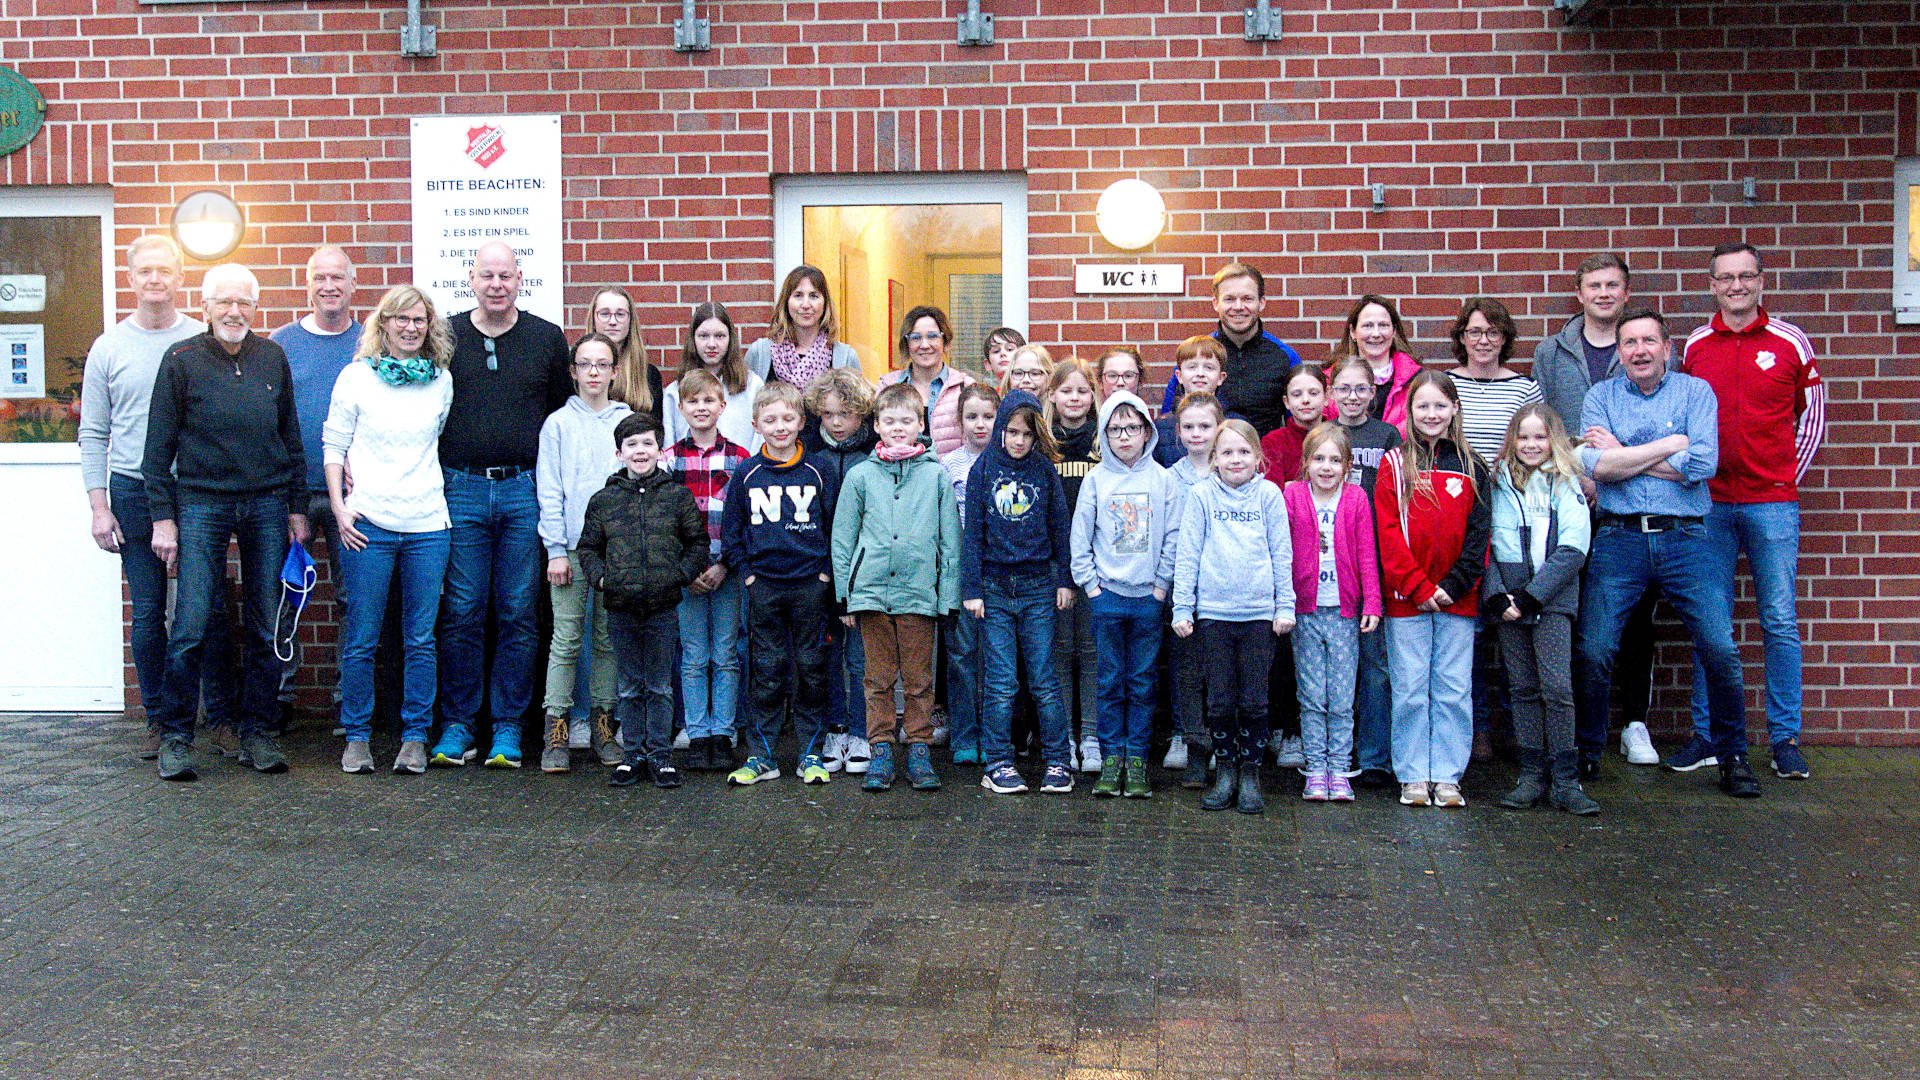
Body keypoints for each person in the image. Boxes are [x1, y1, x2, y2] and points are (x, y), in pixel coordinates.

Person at [1575, 309, 1760, 799]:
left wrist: (1627, 454)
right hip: (1619, 537)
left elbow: (1703, 463)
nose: (1639, 350)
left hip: (1687, 538)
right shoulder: (1601, 397)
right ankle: (1588, 750)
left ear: (1667, 346)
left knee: (1719, 647)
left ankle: (1733, 755)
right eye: (1629, 342)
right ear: (1618, 351)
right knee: (1595, 648)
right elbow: (1595, 467)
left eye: (1648, 341)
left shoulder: (1695, 393)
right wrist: (1669, 445)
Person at [140, 263, 308, 781]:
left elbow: (291, 438)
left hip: (264, 503)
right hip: (201, 505)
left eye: (244, 304)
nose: (234, 312)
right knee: (190, 624)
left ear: (254, 309)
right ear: (207, 306)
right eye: (223, 303)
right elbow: (156, 451)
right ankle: (175, 737)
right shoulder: (182, 358)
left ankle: (256, 732)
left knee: (264, 623)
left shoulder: (271, 357)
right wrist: (163, 520)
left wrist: (297, 508)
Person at [79, 234, 232, 760]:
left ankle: (221, 718)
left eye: (164, 270)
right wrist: (99, 507)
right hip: (132, 491)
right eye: (145, 271)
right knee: (148, 613)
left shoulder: (201, 339)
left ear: (181, 277)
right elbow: (94, 432)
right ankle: (161, 718)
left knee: (208, 610)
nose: (155, 280)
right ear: (130, 279)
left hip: (195, 490)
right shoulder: (109, 348)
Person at [1679, 242, 1825, 780]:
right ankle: (1708, 736)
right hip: (1709, 504)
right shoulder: (1695, 345)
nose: (1736, 286)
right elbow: (1683, 418)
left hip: (1772, 504)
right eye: (1725, 278)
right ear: (1712, 284)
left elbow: (1811, 420)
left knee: (1779, 621)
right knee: (1709, 623)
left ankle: (1785, 739)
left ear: (1761, 281)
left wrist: (1785, 477)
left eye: (1745, 276)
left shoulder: (1790, 342)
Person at [431, 241, 572, 769]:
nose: (496, 284)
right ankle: (459, 724)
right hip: (461, 488)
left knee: (517, 611)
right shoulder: (445, 337)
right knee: (463, 611)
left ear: (520, 279)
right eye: (486, 275)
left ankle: (509, 727)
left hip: (522, 490)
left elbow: (561, 416)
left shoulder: (545, 338)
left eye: (505, 276)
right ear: (471, 278)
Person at [1532, 254, 1663, 773]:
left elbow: (1657, 424)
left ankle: (1633, 722)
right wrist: (1577, 476)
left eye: (1613, 285)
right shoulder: (1552, 351)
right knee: (1573, 614)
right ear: (1579, 295)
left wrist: (1610, 470)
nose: (1604, 293)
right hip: (1569, 496)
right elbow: (1543, 424)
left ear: (1625, 294)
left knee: (1634, 619)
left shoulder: (1641, 347)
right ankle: (1574, 731)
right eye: (1594, 286)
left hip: (1629, 501)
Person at [321, 284, 454, 776]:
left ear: (430, 326)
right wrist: (339, 508)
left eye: (419, 320)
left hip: (427, 525)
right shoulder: (356, 377)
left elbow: (434, 440)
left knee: (420, 638)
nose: (410, 327)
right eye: (401, 319)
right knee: (362, 637)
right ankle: (356, 737)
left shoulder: (441, 380)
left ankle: (414, 737)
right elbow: (334, 444)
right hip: (367, 526)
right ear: (384, 323)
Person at [832, 382, 962, 792]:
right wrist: (844, 595)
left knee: (920, 678)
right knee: (878, 678)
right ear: (876, 425)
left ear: (921, 423)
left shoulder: (935, 476)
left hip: (919, 593)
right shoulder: (860, 475)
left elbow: (949, 541)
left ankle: (920, 749)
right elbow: (843, 538)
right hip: (871, 593)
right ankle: (881, 749)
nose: (898, 428)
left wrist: (949, 596)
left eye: (907, 420)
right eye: (889, 421)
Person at [1375, 371, 1491, 809]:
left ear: (1455, 409)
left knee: (1452, 687)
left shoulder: (1472, 464)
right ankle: (1412, 774)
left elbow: (1480, 535)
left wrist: (1451, 587)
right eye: (1422, 406)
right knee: (1409, 686)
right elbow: (1387, 532)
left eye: (1440, 406)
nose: (1431, 414)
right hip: (1407, 600)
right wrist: (1419, 587)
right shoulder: (1394, 464)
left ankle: (1446, 774)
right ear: (1410, 411)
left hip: (1458, 600)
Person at [577, 411, 710, 789]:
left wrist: (679, 576)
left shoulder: (676, 496)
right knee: (630, 685)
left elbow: (697, 542)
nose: (640, 451)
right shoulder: (603, 500)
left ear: (659, 449)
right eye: (631, 445)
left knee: (660, 685)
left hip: (663, 606)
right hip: (620, 605)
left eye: (647, 443)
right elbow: (589, 547)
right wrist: (602, 578)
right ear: (619, 453)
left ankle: (660, 755)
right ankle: (632, 753)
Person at [1171, 419, 1292, 814]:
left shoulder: (1269, 496)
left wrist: (1284, 605)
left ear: (1258, 457)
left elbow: (1281, 553)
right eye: (1226, 452)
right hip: (1214, 616)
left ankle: (1250, 774)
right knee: (1220, 700)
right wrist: (1182, 607)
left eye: (1243, 452)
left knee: (1255, 700)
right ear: (1214, 459)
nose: (1235, 459)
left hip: (1258, 616)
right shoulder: (1202, 496)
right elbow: (1187, 554)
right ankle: (1224, 772)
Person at [720, 382, 839, 786]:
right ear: (756, 424)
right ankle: (762, 756)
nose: (780, 426)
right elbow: (731, 530)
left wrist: (825, 573)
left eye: (788, 418)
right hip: (764, 586)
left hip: (810, 585)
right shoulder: (746, 473)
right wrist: (748, 575)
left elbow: (835, 524)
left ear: (802, 422)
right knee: (766, 670)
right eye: (770, 420)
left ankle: (811, 754)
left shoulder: (819, 470)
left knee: (811, 668)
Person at [1483, 404, 1597, 815]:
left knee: (1557, 688)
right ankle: (1531, 775)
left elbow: (1573, 550)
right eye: (1524, 436)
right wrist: (1498, 596)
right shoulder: (1497, 484)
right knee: (1523, 688)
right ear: (1512, 441)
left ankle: (1566, 780)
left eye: (1540, 437)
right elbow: (1486, 544)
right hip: (1510, 604)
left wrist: (1534, 596)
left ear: (1555, 441)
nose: (1532, 445)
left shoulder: (1566, 483)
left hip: (1550, 601)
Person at [963, 390, 1076, 796]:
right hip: (993, 589)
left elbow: (1060, 528)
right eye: (1011, 432)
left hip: (1037, 587)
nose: (1018, 441)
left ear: (1036, 435)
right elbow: (972, 533)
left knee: (1044, 678)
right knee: (1000, 681)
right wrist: (971, 588)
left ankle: (1059, 761)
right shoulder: (983, 469)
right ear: (1000, 429)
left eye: (1026, 434)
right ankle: (997, 762)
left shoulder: (1045, 472)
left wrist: (1065, 579)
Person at [1446, 296, 1542, 763]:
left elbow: (1535, 444)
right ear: (1461, 337)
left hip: (1509, 513)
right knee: (1473, 632)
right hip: (1458, 515)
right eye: (1474, 332)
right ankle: (1477, 728)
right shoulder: (1447, 385)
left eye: (1493, 333)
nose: (1483, 341)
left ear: (1505, 339)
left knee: (1509, 623)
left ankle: (1518, 729)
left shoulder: (1525, 389)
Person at [1070, 389, 1179, 798]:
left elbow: (1172, 535)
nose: (1125, 437)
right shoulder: (1096, 479)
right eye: (1115, 429)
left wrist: (1160, 587)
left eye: (1133, 428)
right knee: (1109, 680)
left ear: (1147, 431)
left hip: (1148, 597)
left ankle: (1137, 760)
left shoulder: (1163, 480)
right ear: (1105, 434)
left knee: (1143, 679)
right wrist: (1093, 588)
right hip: (1107, 596)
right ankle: (1111, 757)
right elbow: (1079, 538)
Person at [271, 245, 362, 729]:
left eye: (338, 278)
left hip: (354, 497)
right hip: (297, 495)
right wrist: (289, 500)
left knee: (354, 599)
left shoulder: (372, 341)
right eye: (319, 278)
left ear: (353, 285)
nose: (329, 286)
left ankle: (348, 702)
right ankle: (281, 697)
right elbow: (271, 423)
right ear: (307, 285)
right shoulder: (281, 343)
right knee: (288, 593)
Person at [534, 333, 633, 773]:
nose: (594, 372)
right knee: (567, 640)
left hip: (616, 554)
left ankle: (604, 727)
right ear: (573, 372)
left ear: (615, 370)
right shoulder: (558, 424)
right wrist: (556, 549)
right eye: (585, 364)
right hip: (572, 551)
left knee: (609, 641)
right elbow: (550, 490)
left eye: (602, 364)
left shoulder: (627, 419)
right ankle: (555, 730)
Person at [1283, 424, 1380, 803]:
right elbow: (1281, 549)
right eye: (1318, 459)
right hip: (1304, 610)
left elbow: (1367, 554)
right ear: (1305, 463)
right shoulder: (1292, 495)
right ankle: (1315, 766)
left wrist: (1372, 601)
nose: (1326, 467)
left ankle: (1340, 768)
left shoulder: (1355, 499)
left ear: (1348, 466)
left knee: (1341, 695)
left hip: (1343, 611)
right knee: (1311, 694)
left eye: (1335, 460)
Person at [664, 369, 751, 772]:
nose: (701, 408)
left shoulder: (740, 459)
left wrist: (723, 564)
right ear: (680, 408)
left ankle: (724, 732)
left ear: (722, 406)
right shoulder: (669, 461)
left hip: (727, 570)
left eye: (708, 401)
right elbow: (664, 523)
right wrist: (689, 568)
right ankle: (697, 733)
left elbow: (747, 520)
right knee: (694, 655)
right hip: (687, 575)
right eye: (692, 401)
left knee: (727, 653)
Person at [1327, 357, 1402, 787]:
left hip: (1374, 555)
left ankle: (1374, 757)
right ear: (1331, 393)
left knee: (1375, 663)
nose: (1352, 397)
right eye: (1344, 389)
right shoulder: (1327, 435)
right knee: (1335, 661)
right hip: (1332, 560)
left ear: (1374, 393)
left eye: (1361, 389)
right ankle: (1339, 750)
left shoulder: (1387, 435)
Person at [803, 367, 879, 774]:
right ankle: (834, 728)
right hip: (819, 571)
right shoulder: (810, 455)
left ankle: (862, 731)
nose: (836, 422)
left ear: (862, 415)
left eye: (846, 414)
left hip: (863, 572)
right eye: (829, 414)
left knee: (861, 657)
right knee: (827, 655)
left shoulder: (873, 455)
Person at [1158, 262, 1302, 435]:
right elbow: (1169, 422)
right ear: (1215, 303)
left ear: (1261, 302)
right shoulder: (1197, 359)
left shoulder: (1285, 357)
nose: (1238, 307)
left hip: (1267, 459)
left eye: (1247, 298)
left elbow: (1298, 428)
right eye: (1229, 299)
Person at [1162, 391, 1224, 788]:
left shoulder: (1234, 471)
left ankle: (1218, 740)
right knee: (1184, 667)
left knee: (1219, 670)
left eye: (1205, 426)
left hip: (1225, 590)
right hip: (1182, 588)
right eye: (1189, 427)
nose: (1197, 433)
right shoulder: (1170, 477)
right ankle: (1186, 735)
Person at [940, 383, 1002, 766]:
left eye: (988, 417)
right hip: (961, 575)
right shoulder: (949, 466)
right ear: (960, 423)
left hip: (999, 574)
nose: (980, 425)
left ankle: (997, 736)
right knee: (962, 655)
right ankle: (965, 734)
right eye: (972, 417)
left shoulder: (1007, 461)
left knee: (997, 659)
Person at [1045, 357, 1100, 772]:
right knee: (1060, 650)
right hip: (1053, 565)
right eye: (1066, 390)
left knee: (1092, 650)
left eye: (1082, 391)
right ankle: (1062, 736)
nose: (1075, 398)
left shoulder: (1104, 442)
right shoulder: (1043, 443)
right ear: (1052, 395)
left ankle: (1093, 736)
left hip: (1098, 565)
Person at [662, 301, 765, 452]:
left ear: (730, 339)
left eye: (719, 336)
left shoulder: (752, 386)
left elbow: (760, 442)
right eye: (703, 336)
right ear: (693, 339)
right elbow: (669, 448)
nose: (711, 344)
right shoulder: (675, 391)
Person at [877, 305, 977, 457]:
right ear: (907, 343)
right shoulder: (888, 385)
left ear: (945, 341)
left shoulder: (965, 387)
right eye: (916, 338)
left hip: (951, 478)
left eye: (932, 336)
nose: (924, 345)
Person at [745, 265, 861, 386]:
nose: (806, 305)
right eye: (798, 295)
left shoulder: (846, 358)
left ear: (825, 303)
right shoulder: (759, 354)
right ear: (786, 302)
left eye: (813, 296)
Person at [1323, 295, 1422, 428]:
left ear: (1394, 331)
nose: (1376, 334)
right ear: (1353, 332)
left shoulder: (1417, 381)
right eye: (1367, 325)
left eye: (1383, 325)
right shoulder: (1328, 382)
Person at [1152, 336, 1240, 466]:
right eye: (1192, 367)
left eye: (1209, 368)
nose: (1200, 373)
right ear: (1179, 376)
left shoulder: (1236, 424)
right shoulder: (1161, 427)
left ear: (1221, 377)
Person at [587, 286, 664, 419]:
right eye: (605, 314)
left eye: (620, 314)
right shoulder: (579, 372)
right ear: (593, 319)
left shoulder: (648, 375)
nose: (612, 322)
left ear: (630, 321)